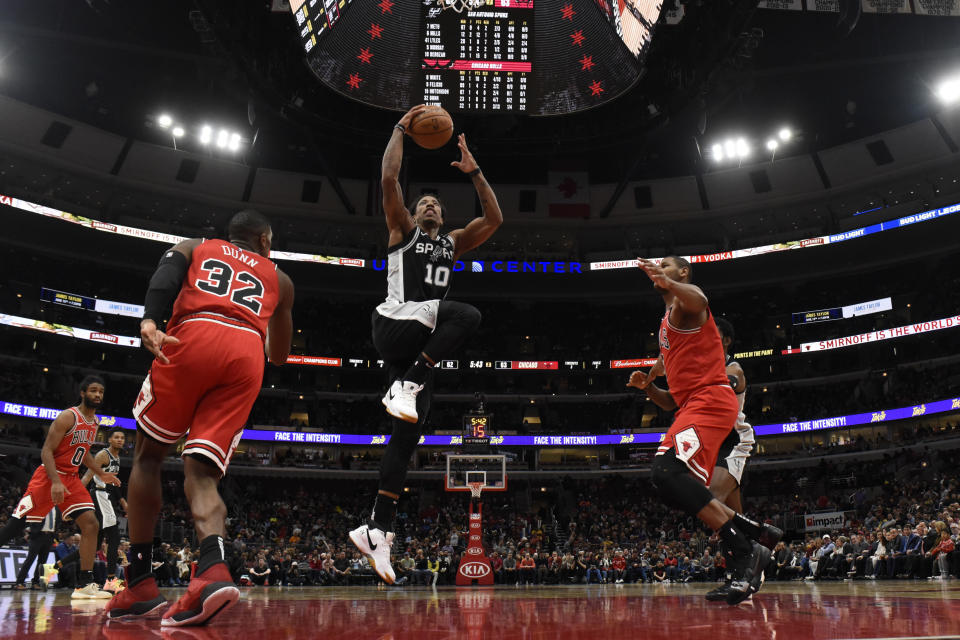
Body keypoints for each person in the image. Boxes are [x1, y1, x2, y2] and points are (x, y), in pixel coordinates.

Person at [105, 210, 295, 626]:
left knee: (150, 457)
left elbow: (164, 279)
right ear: (265, 241)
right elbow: (278, 355)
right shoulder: (280, 279)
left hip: (191, 334)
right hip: (246, 351)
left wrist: (150, 322)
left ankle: (138, 581)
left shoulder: (196, 246)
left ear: (230, 235)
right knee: (203, 473)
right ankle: (212, 568)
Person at [350, 105, 503, 584]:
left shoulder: (453, 243)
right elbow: (390, 179)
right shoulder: (402, 231)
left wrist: (474, 170)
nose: (431, 205)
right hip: (395, 324)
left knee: (407, 437)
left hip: (415, 345)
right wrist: (399, 129)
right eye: (425, 203)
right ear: (414, 214)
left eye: (437, 203)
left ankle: (378, 530)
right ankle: (409, 384)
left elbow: (495, 218)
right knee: (466, 312)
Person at [627, 256, 773, 605]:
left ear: (684, 272)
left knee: (669, 473)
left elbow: (700, 299)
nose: (660, 269)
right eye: (658, 265)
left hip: (715, 407)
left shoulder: (686, 305)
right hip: (693, 405)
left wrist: (668, 281)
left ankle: (748, 546)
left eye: (668, 265)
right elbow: (669, 401)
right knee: (674, 485)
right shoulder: (667, 324)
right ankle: (753, 540)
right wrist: (646, 387)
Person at [0, 376, 119, 599]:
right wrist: (55, 481)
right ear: (83, 393)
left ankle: (85, 584)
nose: (98, 395)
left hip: (72, 479)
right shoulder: (68, 416)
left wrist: (101, 472)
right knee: (14, 527)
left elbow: (83, 454)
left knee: (91, 524)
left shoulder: (95, 422)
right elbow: (46, 451)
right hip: (48, 476)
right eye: (93, 391)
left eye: (101, 392)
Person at [80, 427, 128, 593]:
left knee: (95, 543)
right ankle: (110, 580)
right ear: (109, 440)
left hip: (107, 498)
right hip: (99, 496)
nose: (120, 440)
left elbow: (113, 483)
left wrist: (122, 501)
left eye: (122, 437)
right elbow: (87, 476)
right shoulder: (102, 455)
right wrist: (76, 497)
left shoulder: (117, 457)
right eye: (116, 437)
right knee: (114, 537)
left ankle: (56, 567)